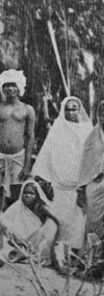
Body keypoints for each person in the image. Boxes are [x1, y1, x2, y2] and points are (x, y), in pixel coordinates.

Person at [32, 96, 90, 250]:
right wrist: (47, 176)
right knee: (58, 212)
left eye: (74, 109)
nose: (71, 112)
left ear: (79, 110)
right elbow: (47, 153)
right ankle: (53, 245)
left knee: (76, 214)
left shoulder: (87, 129)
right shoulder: (57, 129)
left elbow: (90, 155)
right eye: (68, 109)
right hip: (60, 179)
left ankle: (71, 247)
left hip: (78, 179)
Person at [0, 69, 36, 232]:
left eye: (13, 85)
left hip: (18, 156)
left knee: (16, 194)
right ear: (2, 88)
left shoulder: (27, 109)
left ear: (19, 87)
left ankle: (15, 233)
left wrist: (27, 165)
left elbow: (30, 138)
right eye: (6, 86)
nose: (10, 89)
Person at [0, 180, 59, 269]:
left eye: (31, 193)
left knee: (12, 251)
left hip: (31, 240)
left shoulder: (41, 207)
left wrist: (52, 238)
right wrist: (12, 228)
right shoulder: (18, 206)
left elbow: (56, 221)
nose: (28, 196)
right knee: (4, 230)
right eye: (25, 193)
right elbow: (3, 219)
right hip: (16, 237)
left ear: (37, 195)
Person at [78, 101, 104, 239]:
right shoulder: (91, 138)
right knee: (93, 220)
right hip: (95, 182)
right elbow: (85, 164)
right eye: (102, 113)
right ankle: (93, 253)